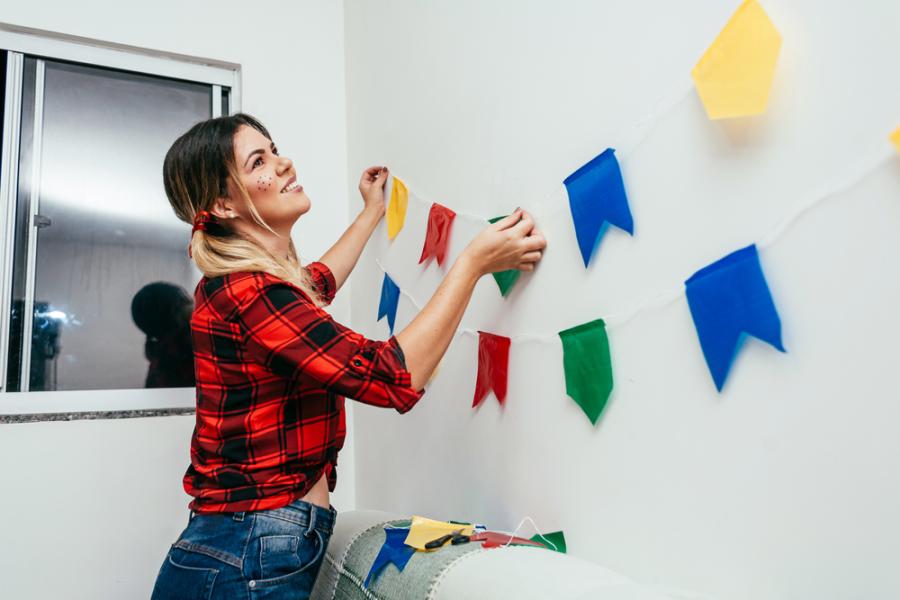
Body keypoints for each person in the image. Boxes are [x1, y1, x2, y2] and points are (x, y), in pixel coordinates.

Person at [150, 113, 546, 599]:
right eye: (259, 162)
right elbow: (393, 376)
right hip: (244, 551)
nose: (283, 163)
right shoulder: (250, 294)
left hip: (240, 544)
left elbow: (315, 283)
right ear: (223, 204)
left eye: (275, 150)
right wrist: (472, 264)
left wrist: (371, 212)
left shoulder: (247, 289)